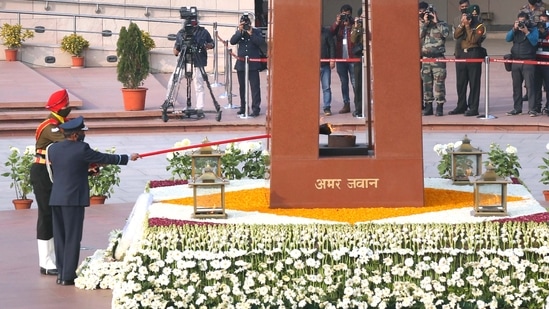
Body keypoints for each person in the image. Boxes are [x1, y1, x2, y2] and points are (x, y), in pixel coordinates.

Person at [47, 116, 140, 285]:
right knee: (73, 237)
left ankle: (61, 273)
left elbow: (68, 169)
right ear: (75, 135)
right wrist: (128, 157)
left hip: (56, 198)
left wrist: (88, 171)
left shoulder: (53, 149)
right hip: (73, 199)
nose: (83, 135)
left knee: (60, 237)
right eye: (81, 132)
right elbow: (105, 158)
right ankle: (68, 276)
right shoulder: (82, 148)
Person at [29, 89, 73, 277]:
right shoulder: (51, 126)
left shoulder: (62, 123)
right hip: (42, 173)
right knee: (46, 215)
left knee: (56, 214)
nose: (67, 108)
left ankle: (54, 257)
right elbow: (68, 143)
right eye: (65, 105)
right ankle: (46, 262)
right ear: (59, 107)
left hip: (53, 171)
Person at [166, 14, 214, 119]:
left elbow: (211, 43)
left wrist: (207, 46)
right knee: (173, 81)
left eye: (193, 21)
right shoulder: (181, 33)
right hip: (183, 62)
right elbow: (176, 51)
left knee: (199, 85)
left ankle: (199, 108)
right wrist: (177, 47)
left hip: (197, 62)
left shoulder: (203, 32)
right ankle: (169, 101)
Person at [450, 4, 487, 116]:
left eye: (476, 14)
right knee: (461, 83)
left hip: (473, 54)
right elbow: (456, 35)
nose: (474, 16)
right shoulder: (463, 23)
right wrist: (462, 24)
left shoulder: (480, 26)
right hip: (461, 54)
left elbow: (473, 40)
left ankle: (473, 107)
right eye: (471, 14)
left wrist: (467, 26)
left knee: (474, 82)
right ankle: (461, 105)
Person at [230, 13, 267, 117]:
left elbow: (261, 43)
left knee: (255, 87)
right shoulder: (239, 32)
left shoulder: (256, 31)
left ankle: (256, 109)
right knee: (242, 87)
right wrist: (240, 31)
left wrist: (251, 34)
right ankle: (243, 107)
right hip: (241, 64)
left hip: (253, 64)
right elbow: (233, 41)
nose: (245, 25)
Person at [506, 12, 540, 117]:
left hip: (528, 61)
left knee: (530, 86)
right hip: (516, 61)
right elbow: (507, 39)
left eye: (523, 21)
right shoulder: (516, 30)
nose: (521, 23)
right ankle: (517, 108)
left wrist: (526, 32)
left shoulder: (533, 29)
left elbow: (535, 42)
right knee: (516, 87)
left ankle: (532, 109)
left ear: (527, 21)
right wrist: (514, 29)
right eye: (519, 21)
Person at [419, 2, 450, 116]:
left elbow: (446, 34)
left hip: (438, 59)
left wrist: (436, 21)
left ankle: (440, 106)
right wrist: (426, 23)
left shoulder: (442, 24)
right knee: (427, 84)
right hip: (426, 59)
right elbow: (418, 35)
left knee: (439, 84)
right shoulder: (423, 25)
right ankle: (428, 106)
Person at [330, 4, 356, 114]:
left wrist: (350, 25)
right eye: (343, 14)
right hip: (341, 58)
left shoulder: (354, 24)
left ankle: (358, 105)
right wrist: (337, 22)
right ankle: (346, 104)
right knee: (344, 82)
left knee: (355, 82)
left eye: (347, 15)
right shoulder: (339, 25)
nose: (346, 17)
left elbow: (357, 37)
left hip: (352, 58)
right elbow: (330, 33)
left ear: (351, 14)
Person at [519, 0, 546, 101]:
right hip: (527, 40)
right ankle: (528, 92)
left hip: (539, 37)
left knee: (541, 69)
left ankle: (542, 89)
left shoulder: (543, 8)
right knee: (529, 69)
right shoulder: (523, 9)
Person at [351, 8, 365, 117]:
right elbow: (353, 39)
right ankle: (359, 108)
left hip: (374, 57)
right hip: (359, 58)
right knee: (358, 85)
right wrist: (357, 26)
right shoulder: (357, 27)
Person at [534, 13, 549, 115]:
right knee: (536, 86)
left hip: (547, 63)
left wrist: (545, 32)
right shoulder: (535, 31)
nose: (543, 23)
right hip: (536, 62)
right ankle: (536, 107)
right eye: (541, 21)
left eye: (545, 21)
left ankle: (548, 107)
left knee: (548, 87)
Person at [320, 26, 335, 116]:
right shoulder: (309, 32)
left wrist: (332, 59)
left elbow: (332, 46)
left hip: (325, 65)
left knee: (326, 88)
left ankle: (327, 107)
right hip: (313, 65)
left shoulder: (326, 32)